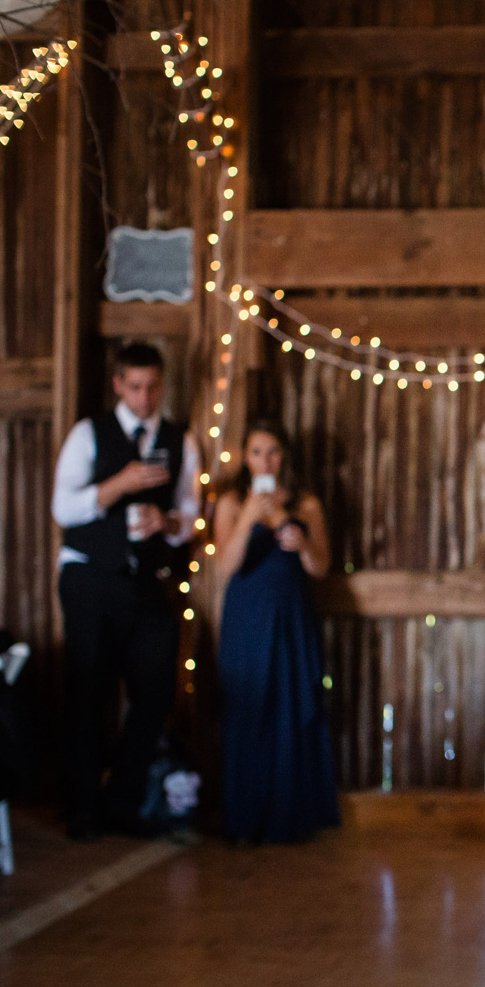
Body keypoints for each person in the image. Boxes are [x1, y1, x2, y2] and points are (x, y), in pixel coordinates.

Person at [52, 341, 201, 839]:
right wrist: (119, 484)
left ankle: (124, 800)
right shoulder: (87, 435)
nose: (144, 397)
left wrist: (168, 520)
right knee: (88, 690)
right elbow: (63, 509)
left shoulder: (181, 440)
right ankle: (82, 808)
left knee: (157, 692)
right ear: (118, 384)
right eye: (135, 387)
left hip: (146, 581)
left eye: (153, 386)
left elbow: (190, 518)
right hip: (90, 575)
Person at [212, 420, 339, 843]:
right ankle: (246, 819)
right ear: (245, 458)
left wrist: (299, 540)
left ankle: (292, 818)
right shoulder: (231, 502)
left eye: (273, 451)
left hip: (290, 617)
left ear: (284, 456)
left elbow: (320, 567)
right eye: (256, 452)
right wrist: (252, 514)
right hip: (247, 618)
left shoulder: (307, 505)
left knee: (293, 708)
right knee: (249, 711)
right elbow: (225, 567)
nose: (265, 460)